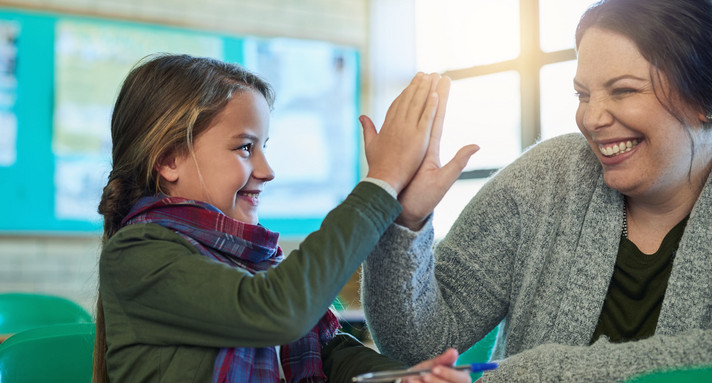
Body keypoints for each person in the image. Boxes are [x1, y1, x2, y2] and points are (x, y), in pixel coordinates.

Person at [361, 0, 712, 381]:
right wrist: (405, 222)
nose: (592, 119)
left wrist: (524, 373)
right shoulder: (542, 182)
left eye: (624, 91)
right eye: (583, 95)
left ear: (702, 100)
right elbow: (418, 350)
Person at [92, 53, 478, 382]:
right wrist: (382, 182)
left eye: (265, 147)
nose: (267, 169)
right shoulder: (135, 253)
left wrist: (404, 378)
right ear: (169, 160)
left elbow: (330, 355)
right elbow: (279, 312)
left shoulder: (248, 259)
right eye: (245, 147)